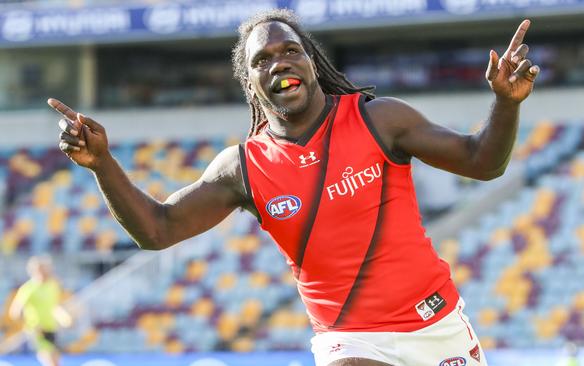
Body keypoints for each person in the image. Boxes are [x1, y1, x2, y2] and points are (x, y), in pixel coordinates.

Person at [48, 9, 539, 366]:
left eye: (291, 51)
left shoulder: (379, 119)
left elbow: (482, 162)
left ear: (311, 61)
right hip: (350, 341)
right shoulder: (242, 167)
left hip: (436, 323)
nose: (280, 63)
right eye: (263, 60)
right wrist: (102, 164)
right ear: (251, 82)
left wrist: (506, 103)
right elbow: (157, 230)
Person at [8, 256, 72, 366]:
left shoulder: (53, 285)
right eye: (42, 269)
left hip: (51, 328)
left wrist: (63, 317)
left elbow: (54, 306)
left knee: (56, 361)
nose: (45, 271)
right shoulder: (28, 288)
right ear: (34, 271)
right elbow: (15, 312)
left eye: (47, 268)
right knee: (51, 361)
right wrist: (31, 326)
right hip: (37, 330)